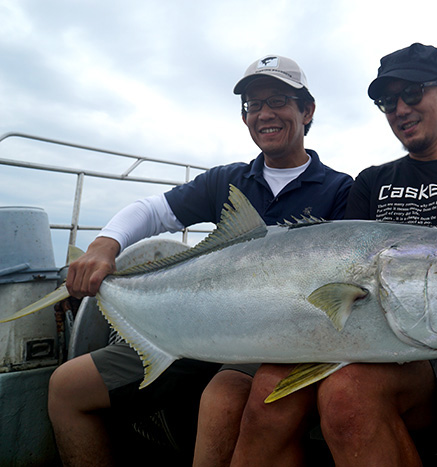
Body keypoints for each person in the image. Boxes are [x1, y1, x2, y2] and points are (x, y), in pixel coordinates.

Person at [225, 43, 437, 466]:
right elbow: (344, 269)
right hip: (367, 334)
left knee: (348, 395)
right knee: (266, 394)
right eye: (388, 100)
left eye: (413, 93)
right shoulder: (372, 182)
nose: (400, 108)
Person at [47, 54, 353, 467]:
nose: (264, 114)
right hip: (188, 331)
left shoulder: (340, 191)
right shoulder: (227, 181)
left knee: (221, 401)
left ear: (307, 110)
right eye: (252, 104)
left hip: (268, 346)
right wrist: (104, 246)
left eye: (278, 100)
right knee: (67, 388)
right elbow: (153, 211)